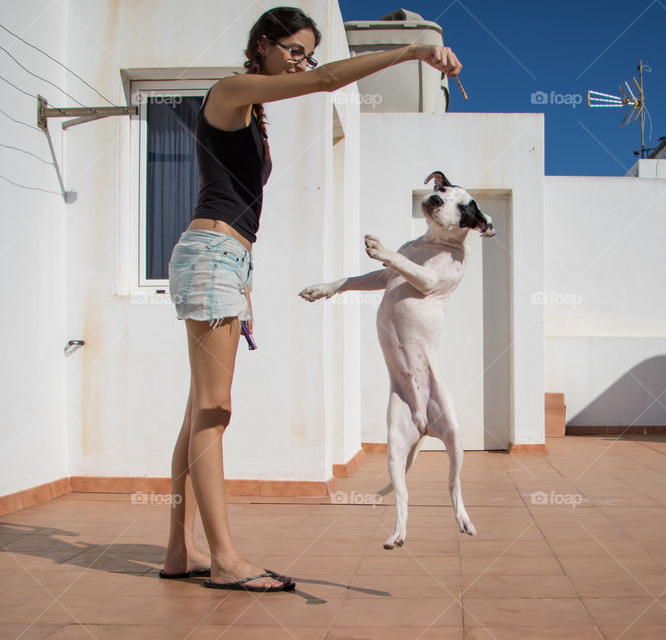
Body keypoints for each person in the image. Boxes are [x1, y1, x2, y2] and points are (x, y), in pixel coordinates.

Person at [162, 6, 462, 592]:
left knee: (199, 409)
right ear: (265, 45)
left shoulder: (251, 108)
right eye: (294, 51)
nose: (302, 62)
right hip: (211, 252)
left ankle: (182, 550)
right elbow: (327, 82)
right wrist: (411, 52)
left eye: (307, 53)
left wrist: (243, 277)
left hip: (226, 258)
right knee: (213, 410)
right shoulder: (231, 89)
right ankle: (224, 559)